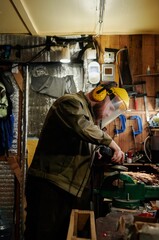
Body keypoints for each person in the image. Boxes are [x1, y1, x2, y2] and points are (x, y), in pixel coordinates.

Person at [24, 83, 129, 240]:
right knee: (43, 235)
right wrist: (112, 143)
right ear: (99, 94)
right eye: (111, 108)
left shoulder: (88, 115)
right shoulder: (70, 103)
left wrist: (95, 154)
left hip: (65, 188)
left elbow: (80, 141)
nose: (108, 114)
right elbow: (82, 127)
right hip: (50, 185)